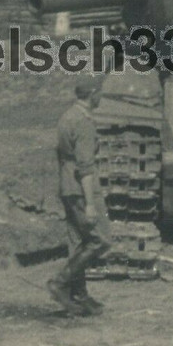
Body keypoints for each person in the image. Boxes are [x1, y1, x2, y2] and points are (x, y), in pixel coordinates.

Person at [47, 78, 112, 317]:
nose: (101, 98)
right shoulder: (84, 122)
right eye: (99, 94)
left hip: (67, 185)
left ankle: (79, 295)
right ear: (92, 94)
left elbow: (62, 155)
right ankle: (60, 282)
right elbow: (85, 166)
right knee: (101, 240)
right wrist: (91, 204)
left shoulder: (67, 116)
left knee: (78, 242)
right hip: (82, 187)